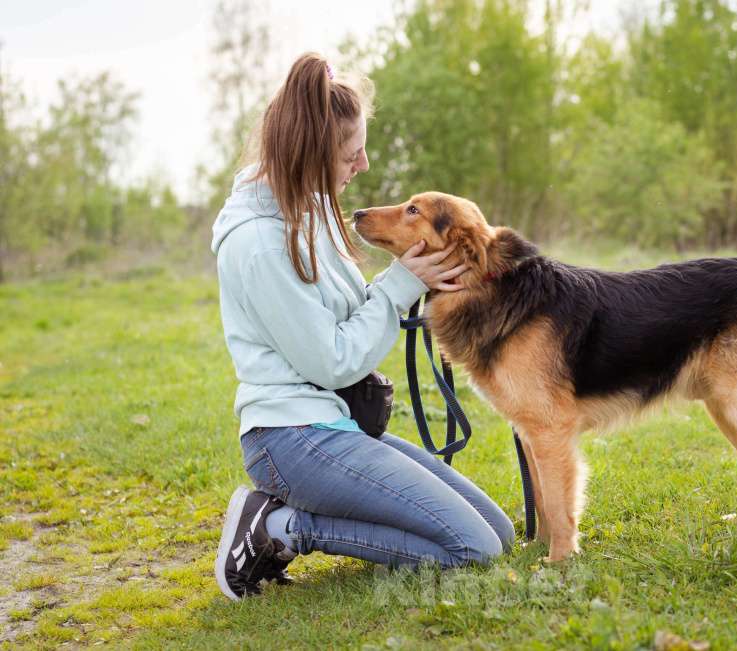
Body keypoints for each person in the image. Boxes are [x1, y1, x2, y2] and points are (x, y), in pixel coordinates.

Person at [210, 52, 514, 601]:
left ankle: (298, 518)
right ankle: (277, 527)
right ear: (312, 153)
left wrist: (416, 279)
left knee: (498, 531)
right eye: (353, 154)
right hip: (293, 437)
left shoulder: (309, 210)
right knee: (473, 549)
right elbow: (332, 361)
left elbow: (350, 314)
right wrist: (399, 285)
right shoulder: (257, 242)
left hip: (337, 424)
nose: (365, 165)